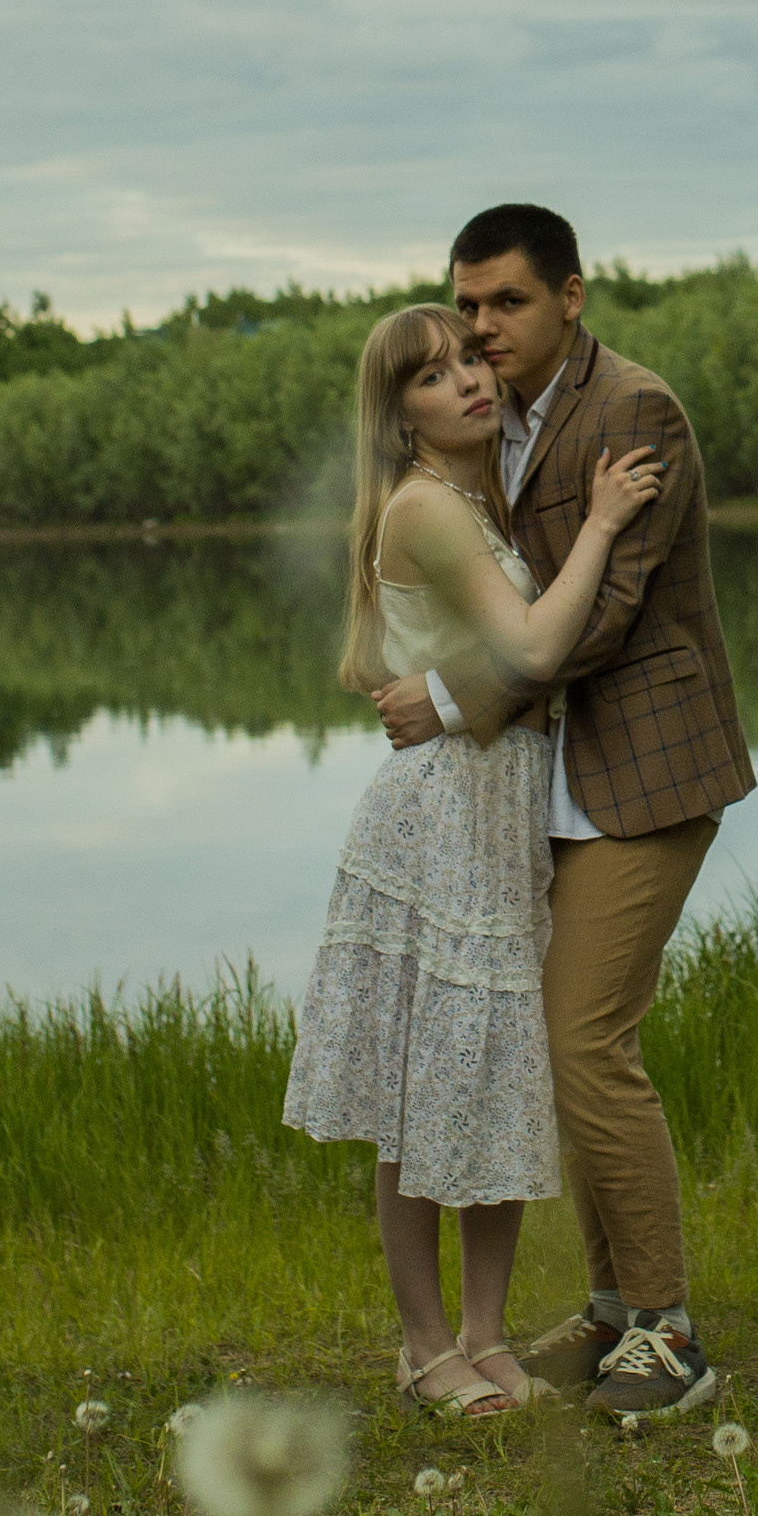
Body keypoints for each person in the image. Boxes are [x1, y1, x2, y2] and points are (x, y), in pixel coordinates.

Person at [371, 201, 755, 1422]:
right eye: (466, 305)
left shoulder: (633, 410)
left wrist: (448, 696)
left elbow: (604, 616)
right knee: (552, 1044)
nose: (482, 329)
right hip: (542, 784)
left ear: (571, 296)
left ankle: (668, 1330)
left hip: (648, 768)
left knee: (585, 1036)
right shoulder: (491, 424)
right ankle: (608, 1309)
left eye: (509, 302)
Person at [284, 304, 665, 1416]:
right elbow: (537, 644)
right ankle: (423, 1348)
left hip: (499, 817)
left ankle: (485, 1337)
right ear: (397, 416)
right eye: (432, 375)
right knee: (419, 1097)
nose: (468, 379)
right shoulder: (424, 508)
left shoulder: (475, 498)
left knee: (494, 1083)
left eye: (468, 359)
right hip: (441, 819)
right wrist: (602, 523)